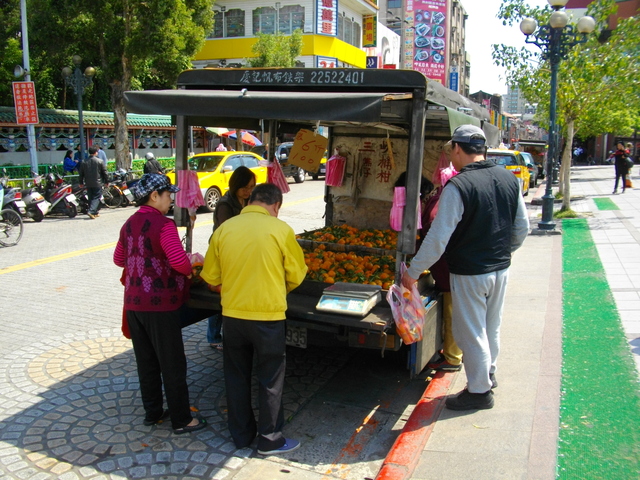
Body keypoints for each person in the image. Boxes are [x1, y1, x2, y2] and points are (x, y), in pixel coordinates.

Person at [402, 125, 529, 411]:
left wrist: (412, 273)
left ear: (457, 148)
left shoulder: (458, 186)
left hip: (471, 272)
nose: (451, 157)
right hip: (500, 269)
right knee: (491, 326)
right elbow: (522, 228)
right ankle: (488, 374)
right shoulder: (509, 179)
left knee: (470, 332)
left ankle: (479, 392)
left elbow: (437, 238)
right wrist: (502, 252)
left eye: (451, 151)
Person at [201, 183, 307, 455]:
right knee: (270, 377)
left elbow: (211, 276)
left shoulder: (224, 229)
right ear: (276, 205)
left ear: (251, 201)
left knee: (235, 376)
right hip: (268, 317)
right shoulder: (281, 230)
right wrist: (277, 288)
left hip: (233, 317)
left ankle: (241, 436)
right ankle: (270, 439)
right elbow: (297, 274)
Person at [113, 173, 207, 435]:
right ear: (154, 196)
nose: (171, 200)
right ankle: (182, 420)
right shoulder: (164, 225)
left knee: (147, 362)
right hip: (160, 305)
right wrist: (190, 267)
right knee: (172, 363)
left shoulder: (128, 224)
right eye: (168, 195)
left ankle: (152, 412)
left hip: (134, 304)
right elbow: (178, 262)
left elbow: (118, 259)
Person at [206, 166, 257, 350]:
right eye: (245, 187)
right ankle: (213, 336)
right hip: (224, 253)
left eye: (251, 187)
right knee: (221, 293)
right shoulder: (225, 204)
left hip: (241, 252)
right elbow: (226, 231)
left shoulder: (249, 200)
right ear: (236, 185)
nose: (248, 191)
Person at [423, 146, 463, 372]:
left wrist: (417, 264)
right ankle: (452, 352)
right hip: (446, 269)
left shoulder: (441, 202)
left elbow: (433, 234)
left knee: (452, 313)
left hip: (448, 270)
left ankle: (453, 358)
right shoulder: (441, 198)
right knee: (452, 313)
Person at [78, 147, 109, 219]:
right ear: (96, 152)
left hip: (88, 182)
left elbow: (81, 173)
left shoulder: (84, 161)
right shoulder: (100, 161)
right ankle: (91, 211)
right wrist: (107, 181)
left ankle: (95, 212)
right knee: (96, 197)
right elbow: (105, 172)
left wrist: (81, 182)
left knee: (91, 197)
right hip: (97, 182)